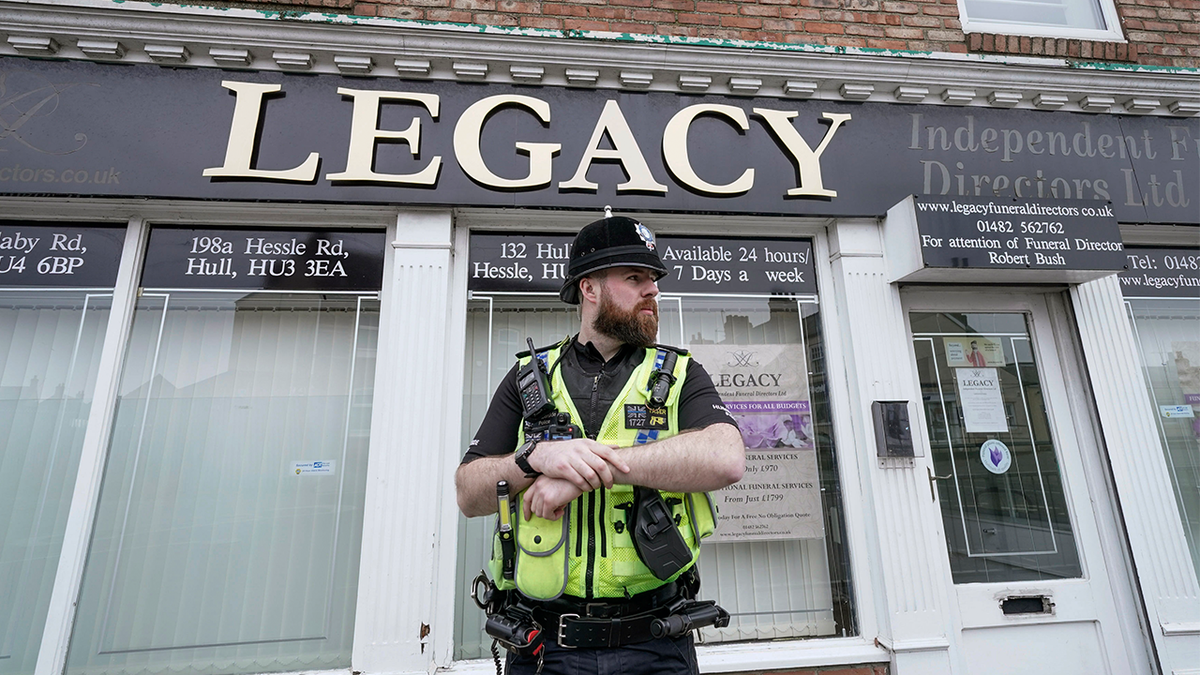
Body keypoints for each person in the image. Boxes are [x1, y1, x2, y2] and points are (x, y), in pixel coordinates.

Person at [455, 214, 744, 675]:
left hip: (656, 642)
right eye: (635, 278)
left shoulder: (681, 372)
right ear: (589, 289)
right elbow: (469, 493)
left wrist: (584, 476)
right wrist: (535, 458)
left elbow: (725, 457)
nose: (652, 290)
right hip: (543, 644)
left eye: (653, 280)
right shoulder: (529, 378)